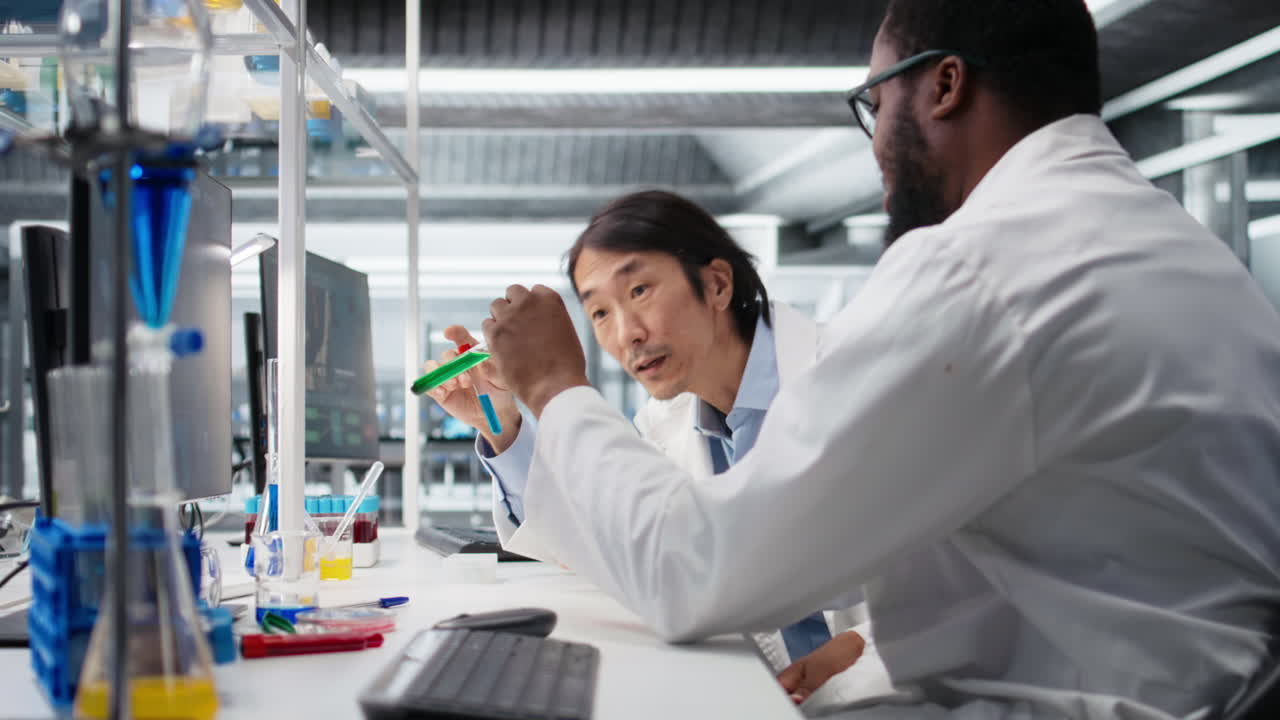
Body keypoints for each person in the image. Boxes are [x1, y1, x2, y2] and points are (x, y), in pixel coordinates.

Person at [476, 1, 1280, 718]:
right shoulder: (1180, 249)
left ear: (943, 86)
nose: (876, 148)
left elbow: (690, 570)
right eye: (599, 311)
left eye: (876, 103)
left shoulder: (979, 268)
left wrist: (554, 383)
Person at [424, 190, 886, 710]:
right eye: (600, 312)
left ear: (716, 284)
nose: (628, 334)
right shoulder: (668, 421)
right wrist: (502, 423)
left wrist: (861, 647)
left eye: (639, 290)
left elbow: (955, 583)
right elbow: (610, 536)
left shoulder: (855, 376)